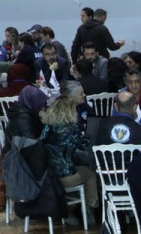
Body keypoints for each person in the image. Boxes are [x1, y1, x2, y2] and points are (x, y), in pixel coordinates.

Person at [40, 82, 100, 220]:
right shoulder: (70, 127)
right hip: (64, 176)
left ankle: (72, 208)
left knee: (78, 163)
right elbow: (84, 146)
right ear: (69, 98)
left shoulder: (50, 122)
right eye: (81, 93)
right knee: (91, 173)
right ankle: (90, 212)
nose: (84, 95)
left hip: (48, 173)